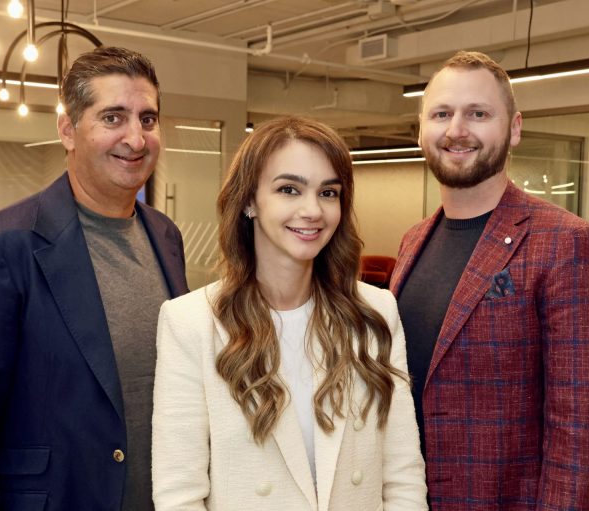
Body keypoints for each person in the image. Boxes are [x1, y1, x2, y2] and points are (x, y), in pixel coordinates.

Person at [0, 46, 188, 511]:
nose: (135, 137)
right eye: (113, 118)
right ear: (68, 130)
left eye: (148, 119)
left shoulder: (166, 236)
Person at [391, 50, 589, 510]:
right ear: (421, 130)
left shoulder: (570, 245)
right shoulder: (413, 240)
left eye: (478, 113)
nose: (457, 129)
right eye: (442, 114)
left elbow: (586, 438)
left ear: (514, 128)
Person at [151, 116, 427, 510]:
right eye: (289, 189)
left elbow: (402, 478)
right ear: (249, 201)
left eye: (328, 193)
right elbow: (180, 495)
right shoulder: (192, 322)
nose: (312, 210)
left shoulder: (375, 313)